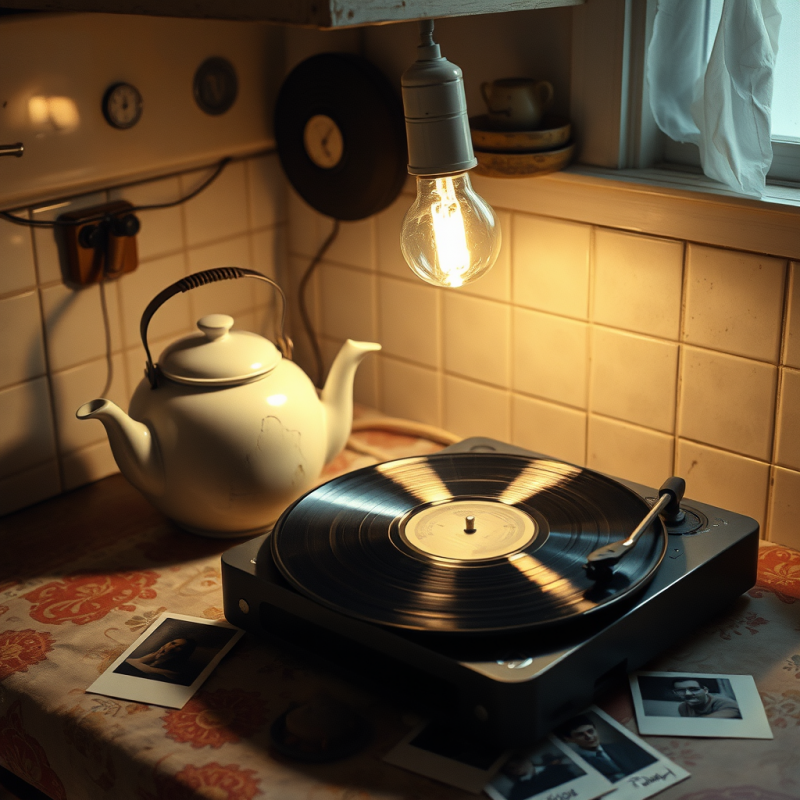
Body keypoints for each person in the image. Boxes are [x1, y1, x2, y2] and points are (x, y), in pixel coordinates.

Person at [555, 715, 656, 782]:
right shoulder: (575, 765)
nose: (589, 737)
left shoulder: (622, 747)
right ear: (569, 739)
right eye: (580, 734)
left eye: (590, 731)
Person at [116, 637, 197, 683]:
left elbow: (130, 662)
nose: (172, 647)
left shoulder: (174, 671)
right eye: (173, 643)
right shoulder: (150, 656)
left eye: (179, 647)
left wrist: (152, 656)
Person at [671, 678, 741, 718]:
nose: (687, 694)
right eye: (681, 691)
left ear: (705, 690)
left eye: (694, 689)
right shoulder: (683, 707)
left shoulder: (726, 703)